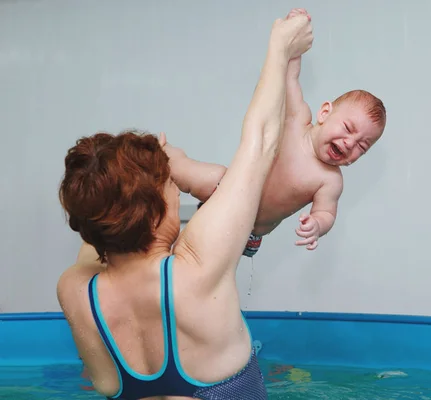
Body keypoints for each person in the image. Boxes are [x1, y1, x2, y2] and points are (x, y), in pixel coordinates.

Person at [56, 11, 314, 400]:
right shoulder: (197, 269)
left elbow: (100, 225)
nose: (178, 190)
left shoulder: (75, 288)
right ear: (156, 211)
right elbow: (259, 143)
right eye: (172, 186)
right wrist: (280, 49)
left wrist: (136, 177)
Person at [164, 8, 386, 257]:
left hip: (250, 231)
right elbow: (290, 79)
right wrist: (293, 41)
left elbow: (326, 213)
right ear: (325, 113)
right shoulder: (297, 120)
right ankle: (163, 156)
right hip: (225, 191)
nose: (349, 143)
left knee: (192, 259)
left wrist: (317, 226)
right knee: (197, 173)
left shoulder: (330, 181)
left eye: (361, 147)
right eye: (348, 129)